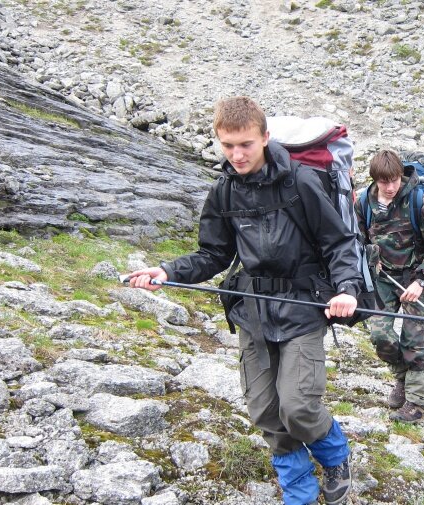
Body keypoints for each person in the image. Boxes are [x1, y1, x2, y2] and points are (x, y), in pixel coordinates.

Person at [125, 97, 358, 505]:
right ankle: (299, 491)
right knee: (265, 411)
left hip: (303, 308)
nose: (237, 154)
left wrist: (346, 290)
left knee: (298, 408)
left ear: (265, 138)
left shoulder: (301, 183)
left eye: (246, 144)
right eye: (228, 145)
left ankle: (336, 457)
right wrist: (167, 271)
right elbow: (212, 254)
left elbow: (338, 243)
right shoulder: (224, 191)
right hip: (252, 311)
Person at [355, 149, 424, 423]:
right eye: (385, 182)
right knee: (380, 335)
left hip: (414, 278)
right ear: (375, 180)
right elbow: (356, 243)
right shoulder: (364, 202)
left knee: (414, 340)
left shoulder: (419, 202)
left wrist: (421, 281)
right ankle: (403, 378)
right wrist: (370, 258)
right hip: (382, 278)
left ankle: (417, 403)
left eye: (395, 180)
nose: (391, 187)